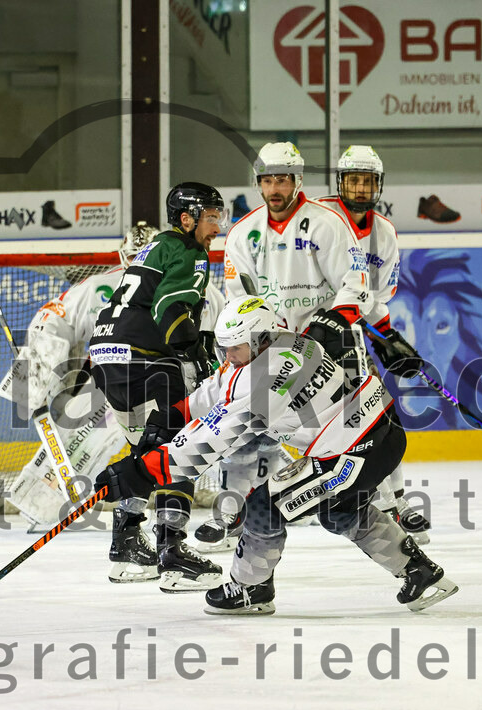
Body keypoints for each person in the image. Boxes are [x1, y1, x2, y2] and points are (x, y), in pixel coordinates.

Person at [95, 296, 459, 615]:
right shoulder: (281, 344)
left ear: (261, 339)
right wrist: (172, 416)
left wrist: (141, 472)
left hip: (357, 447)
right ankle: (420, 574)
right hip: (371, 432)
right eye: (225, 348)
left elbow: (214, 439)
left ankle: (250, 589)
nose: (228, 356)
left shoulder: (270, 378)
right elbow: (221, 386)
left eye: (234, 348)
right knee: (340, 511)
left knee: (264, 505)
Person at [195, 141, 372, 554]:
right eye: (268, 180)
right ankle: (229, 513)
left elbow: (355, 282)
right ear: (259, 183)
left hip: (326, 347)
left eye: (283, 179)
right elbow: (239, 299)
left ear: (297, 181)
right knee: (245, 430)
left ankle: (380, 507)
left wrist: (335, 321)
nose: (275, 188)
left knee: (352, 427)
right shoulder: (243, 233)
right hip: (269, 351)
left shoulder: (326, 224)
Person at [88, 182, 230, 592]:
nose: (216, 224)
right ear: (186, 219)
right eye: (210, 216)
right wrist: (193, 349)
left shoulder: (156, 248)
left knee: (145, 453)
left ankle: (126, 544)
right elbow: (169, 308)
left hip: (108, 355)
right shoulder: (189, 251)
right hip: (145, 358)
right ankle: (172, 554)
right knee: (179, 447)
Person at [0, 221, 160, 529]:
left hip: (164, 382)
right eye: (133, 258)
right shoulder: (99, 288)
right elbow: (52, 318)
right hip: (110, 382)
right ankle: (42, 504)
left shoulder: (182, 287)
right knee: (80, 441)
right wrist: (34, 375)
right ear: (123, 257)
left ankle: (192, 509)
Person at [315, 145, 432, 539]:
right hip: (303, 336)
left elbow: (373, 297)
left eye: (367, 181)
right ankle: (239, 511)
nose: (360, 189)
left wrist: (389, 337)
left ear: (378, 185)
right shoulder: (319, 217)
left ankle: (394, 504)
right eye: (353, 180)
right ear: (340, 183)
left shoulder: (383, 233)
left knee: (378, 415)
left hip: (347, 335)